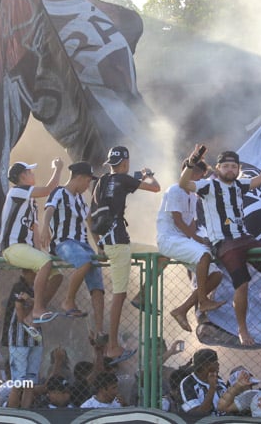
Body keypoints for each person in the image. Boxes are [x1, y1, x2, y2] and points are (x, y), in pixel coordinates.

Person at [179, 145, 261, 346]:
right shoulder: (209, 186)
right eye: (226, 166)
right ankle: (242, 329)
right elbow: (184, 183)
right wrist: (192, 161)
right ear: (218, 168)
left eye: (233, 166)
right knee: (242, 283)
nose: (230, 169)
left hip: (244, 237)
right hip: (225, 242)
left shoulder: (238, 185)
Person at [92, 146, 160, 362]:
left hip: (109, 241)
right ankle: (112, 346)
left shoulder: (102, 181)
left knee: (160, 254)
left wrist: (98, 245)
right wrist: (148, 175)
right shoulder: (123, 178)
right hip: (118, 242)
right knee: (118, 295)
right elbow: (155, 188)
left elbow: (91, 214)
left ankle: (141, 295)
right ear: (125, 163)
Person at [38, 162, 106, 343]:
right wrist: (45, 228)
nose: (88, 185)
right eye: (88, 181)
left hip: (83, 244)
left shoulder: (81, 200)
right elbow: (49, 209)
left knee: (98, 284)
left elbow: (90, 222)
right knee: (84, 262)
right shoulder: (60, 192)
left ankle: (100, 330)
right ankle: (68, 300)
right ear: (80, 178)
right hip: (64, 242)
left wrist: (99, 245)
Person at [157, 158, 225, 332]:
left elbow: (192, 222)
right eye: (196, 174)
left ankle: (182, 310)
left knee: (216, 275)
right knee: (204, 255)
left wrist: (198, 238)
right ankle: (203, 301)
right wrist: (195, 239)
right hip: (169, 239)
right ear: (187, 172)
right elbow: (178, 220)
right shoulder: (174, 190)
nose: (198, 179)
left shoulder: (193, 196)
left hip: (183, 241)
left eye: (201, 176)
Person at [0, 160, 64, 324]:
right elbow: (48, 190)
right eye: (30, 172)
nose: (33, 174)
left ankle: (33, 311)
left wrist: (39, 251)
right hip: (12, 247)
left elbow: (34, 229)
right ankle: (37, 310)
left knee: (57, 276)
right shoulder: (17, 191)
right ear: (22, 176)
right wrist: (58, 168)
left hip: (24, 248)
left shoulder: (30, 201)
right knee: (46, 263)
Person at [2, 269, 44, 408]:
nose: (36, 274)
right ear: (26, 273)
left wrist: (32, 301)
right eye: (33, 272)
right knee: (18, 382)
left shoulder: (38, 288)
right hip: (19, 339)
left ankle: (26, 412)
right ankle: (12, 414)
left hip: (35, 339)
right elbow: (21, 317)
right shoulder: (19, 287)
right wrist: (32, 303)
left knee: (30, 381)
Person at [179, 348, 228, 416]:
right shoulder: (188, 383)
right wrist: (212, 387)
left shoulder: (218, 379)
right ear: (206, 366)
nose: (218, 365)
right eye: (215, 362)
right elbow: (198, 414)